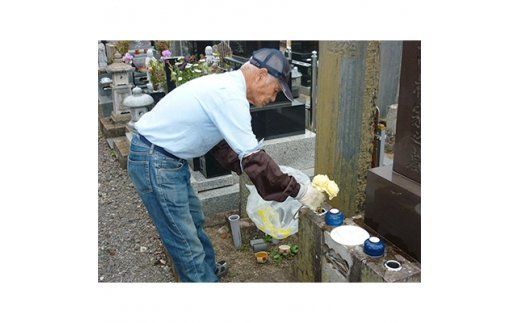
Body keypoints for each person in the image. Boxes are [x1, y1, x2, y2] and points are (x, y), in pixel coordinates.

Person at [128, 48, 326, 282]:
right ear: (261, 75)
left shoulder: (228, 87)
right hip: (155, 161)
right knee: (183, 239)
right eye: (274, 90)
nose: (273, 99)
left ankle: (207, 271)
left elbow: (223, 146)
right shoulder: (229, 95)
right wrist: (301, 191)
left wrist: (262, 173)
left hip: (166, 160)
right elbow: (253, 157)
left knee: (193, 222)